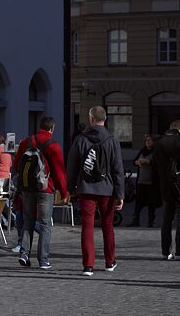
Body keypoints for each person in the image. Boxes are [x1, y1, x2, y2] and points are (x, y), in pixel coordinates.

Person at [66, 107, 125, 276]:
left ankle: (88, 265)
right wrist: (120, 194)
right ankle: (110, 261)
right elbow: (118, 170)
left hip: (86, 187)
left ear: (91, 118)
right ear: (105, 119)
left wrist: (70, 188)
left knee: (87, 226)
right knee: (108, 226)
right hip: (107, 188)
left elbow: (72, 166)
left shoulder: (80, 139)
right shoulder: (112, 141)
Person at [13, 116, 68, 270]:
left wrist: (26, 179)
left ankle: (24, 253)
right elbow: (59, 171)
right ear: (52, 128)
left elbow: (17, 165)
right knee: (44, 224)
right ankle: (43, 260)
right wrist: (63, 192)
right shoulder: (53, 145)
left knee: (28, 220)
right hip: (45, 189)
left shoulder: (26, 142)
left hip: (27, 188)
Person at [153, 120, 180, 260]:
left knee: (167, 219)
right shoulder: (178, 142)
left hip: (165, 185)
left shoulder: (158, 143)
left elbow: (155, 165)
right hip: (179, 184)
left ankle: (166, 251)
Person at [129, 135, 161, 227]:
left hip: (151, 182)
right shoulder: (143, 150)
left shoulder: (156, 151)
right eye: (146, 140)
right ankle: (136, 220)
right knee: (138, 203)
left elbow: (158, 164)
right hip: (140, 181)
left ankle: (150, 222)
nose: (147, 142)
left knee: (151, 203)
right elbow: (134, 161)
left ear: (154, 141)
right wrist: (137, 162)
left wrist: (148, 162)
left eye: (150, 140)